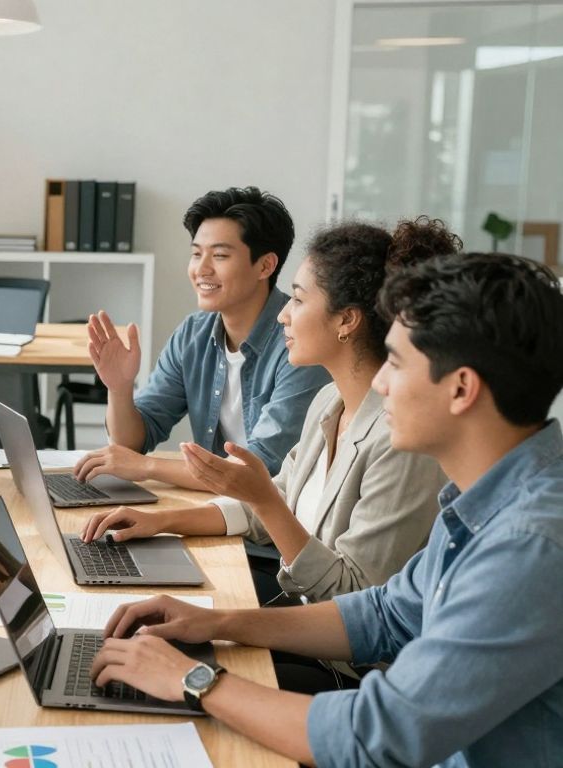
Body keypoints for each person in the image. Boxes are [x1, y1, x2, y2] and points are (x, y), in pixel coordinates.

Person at [86, 252, 563, 767]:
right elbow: (384, 613)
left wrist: (192, 678)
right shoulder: (488, 503)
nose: (381, 384)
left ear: (462, 389)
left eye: (397, 364)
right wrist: (213, 622)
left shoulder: (528, 544)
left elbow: (381, 737)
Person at [80, 220, 453, 611]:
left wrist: (261, 502)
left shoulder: (400, 441)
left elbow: (354, 600)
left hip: (342, 660)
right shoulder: (330, 401)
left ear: (346, 320)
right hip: (300, 611)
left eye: (298, 300)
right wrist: (162, 523)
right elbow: (271, 499)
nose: (283, 316)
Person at [74, 187, 330, 491]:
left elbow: (261, 468)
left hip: (271, 522)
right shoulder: (193, 334)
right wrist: (119, 389)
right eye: (197, 254)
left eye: (220, 255)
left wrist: (147, 468)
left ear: (265, 265)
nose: (201, 269)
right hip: (216, 505)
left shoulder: (299, 341)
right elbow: (133, 442)